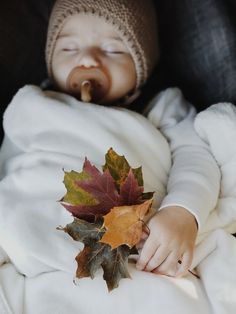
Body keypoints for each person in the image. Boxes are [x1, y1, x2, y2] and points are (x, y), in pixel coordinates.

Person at [43, 0, 221, 278]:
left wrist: (183, 211)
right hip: (48, 238)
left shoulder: (160, 107)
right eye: (68, 48)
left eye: (112, 49)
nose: (87, 60)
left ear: (142, 66)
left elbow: (196, 154)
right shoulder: (38, 107)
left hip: (137, 248)